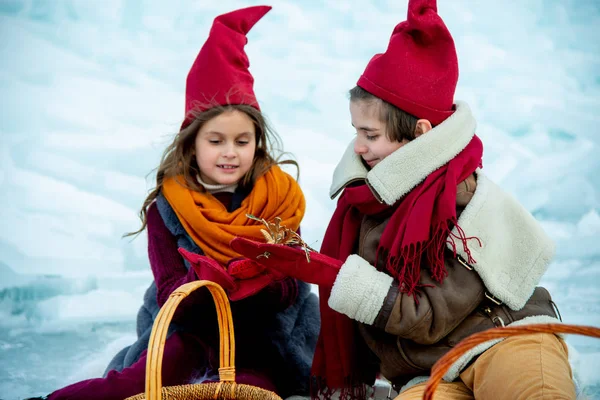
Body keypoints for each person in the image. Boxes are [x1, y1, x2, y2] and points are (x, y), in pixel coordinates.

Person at [231, 1, 575, 399]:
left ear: (422, 132)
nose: (358, 147)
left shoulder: (465, 201)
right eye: (356, 131)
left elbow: (426, 316)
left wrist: (334, 275)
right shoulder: (365, 204)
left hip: (505, 340)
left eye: (371, 135)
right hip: (430, 373)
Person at [41, 6, 319, 400]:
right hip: (190, 331)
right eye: (215, 140)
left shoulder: (280, 201)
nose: (230, 153)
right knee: (135, 383)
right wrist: (210, 281)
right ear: (192, 143)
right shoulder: (168, 208)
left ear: (257, 142)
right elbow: (171, 287)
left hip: (262, 338)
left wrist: (255, 280)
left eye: (242, 141)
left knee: (251, 391)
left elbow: (293, 286)